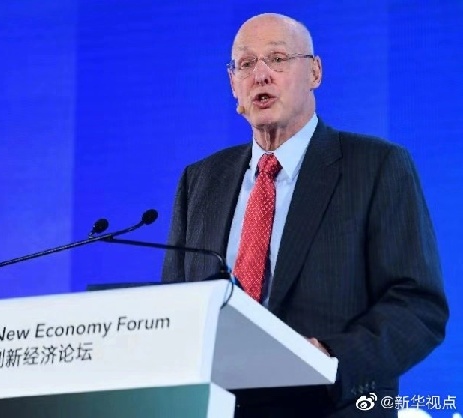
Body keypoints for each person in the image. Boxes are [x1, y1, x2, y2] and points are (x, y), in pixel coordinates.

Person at [161, 12, 449, 418]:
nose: (260, 75)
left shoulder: (376, 167)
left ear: (315, 72)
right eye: (246, 64)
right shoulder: (200, 181)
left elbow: (418, 308)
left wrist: (329, 357)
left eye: (277, 59)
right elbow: (177, 308)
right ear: (233, 85)